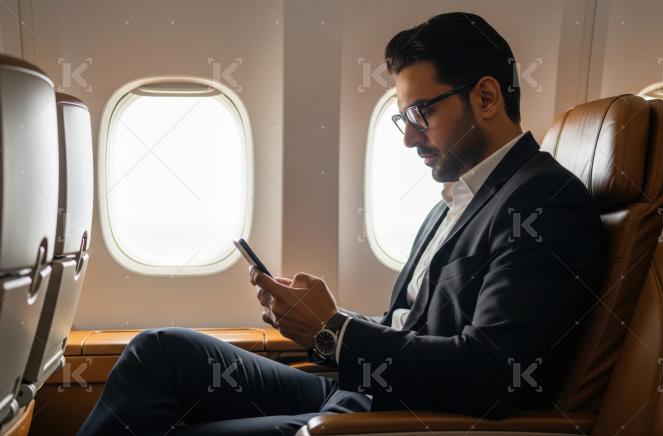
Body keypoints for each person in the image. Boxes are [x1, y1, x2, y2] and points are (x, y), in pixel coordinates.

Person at [78, 12, 603, 436]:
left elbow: (494, 374)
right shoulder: (454, 200)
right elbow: (409, 326)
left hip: (400, 420)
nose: (408, 138)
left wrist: (333, 331)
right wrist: (323, 318)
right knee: (160, 351)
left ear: (486, 98)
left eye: (421, 113)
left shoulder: (544, 202)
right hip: (364, 392)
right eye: (403, 118)